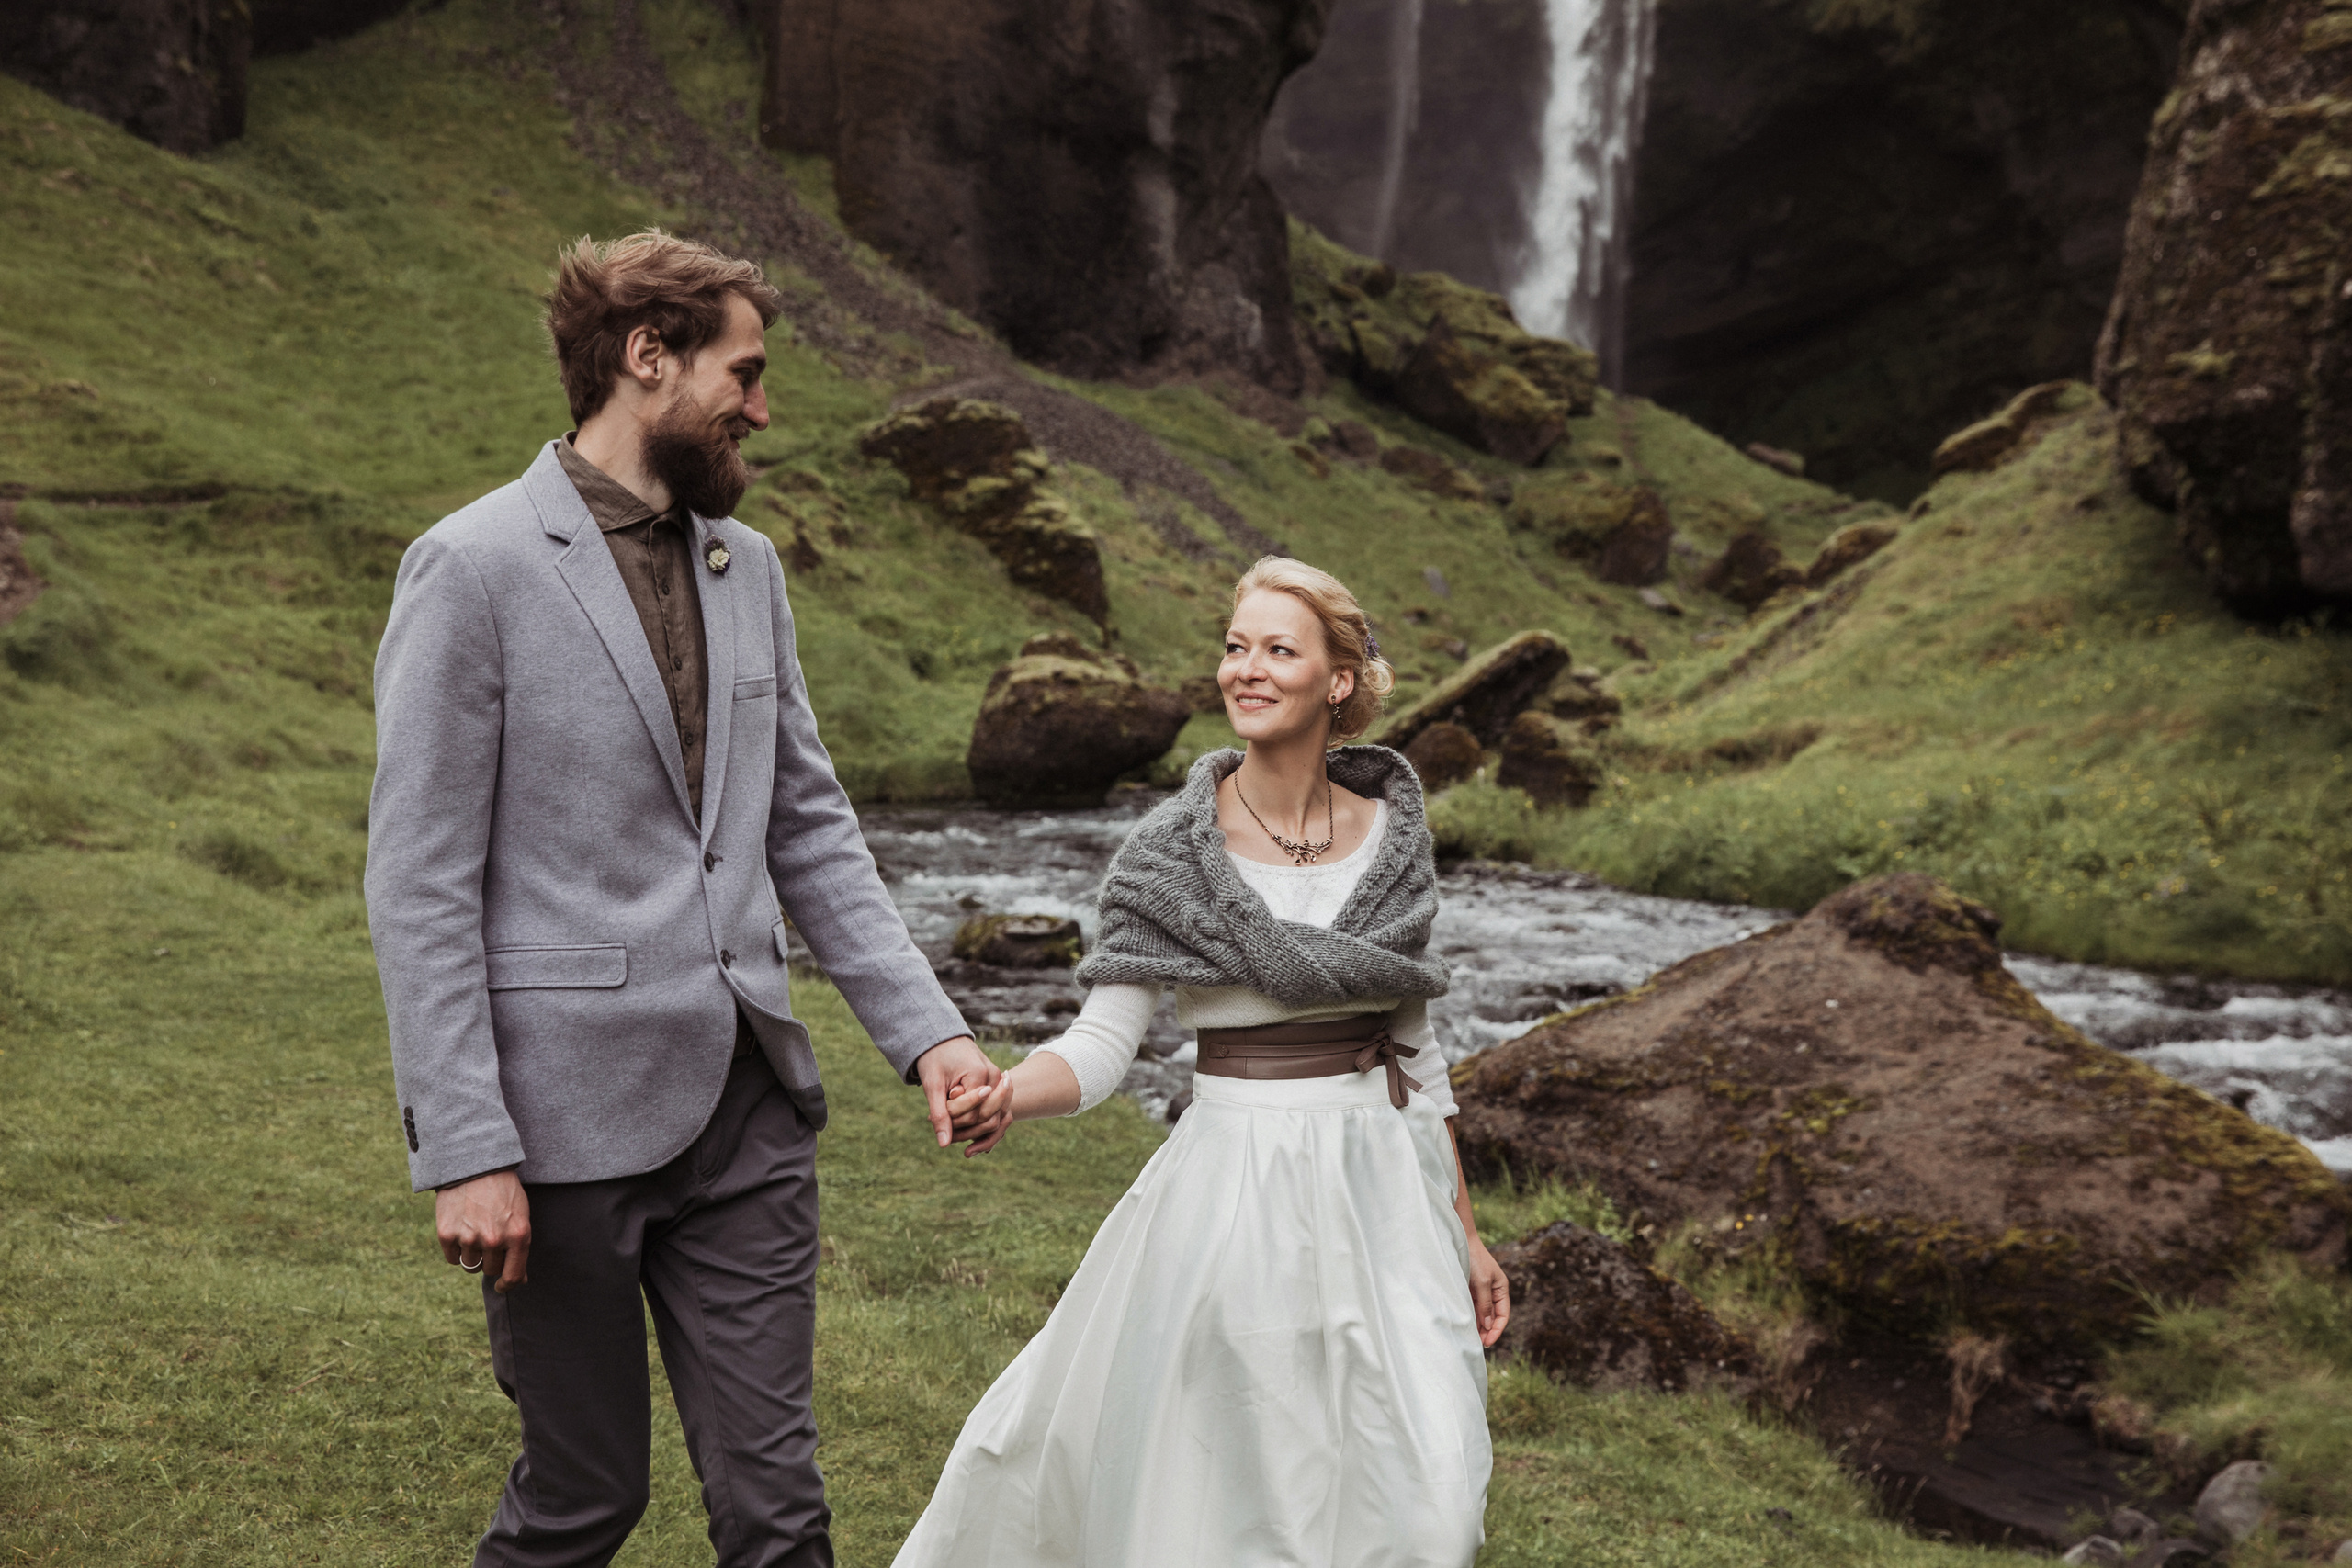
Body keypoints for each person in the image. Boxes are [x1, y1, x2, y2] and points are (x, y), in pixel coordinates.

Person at [364, 229, 1009, 1568]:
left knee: (779, 1512)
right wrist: (467, 1144)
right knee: (583, 1500)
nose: (762, 410)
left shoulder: (746, 566)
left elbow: (806, 823)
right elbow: (419, 880)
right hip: (560, 1128)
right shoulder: (470, 566)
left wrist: (931, 1034)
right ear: (647, 356)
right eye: (745, 373)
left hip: (746, 1112)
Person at [901, 557, 1510, 1568]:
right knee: (1245, 1499)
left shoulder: (1394, 836)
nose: (1246, 668)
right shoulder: (1168, 853)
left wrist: (1467, 1232)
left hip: (1387, 1197)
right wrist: (1012, 1091)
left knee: (1426, 1507)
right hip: (1239, 1193)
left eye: (1278, 649)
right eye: (1235, 647)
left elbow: (1415, 1045)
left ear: (1339, 680)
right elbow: (1103, 1044)